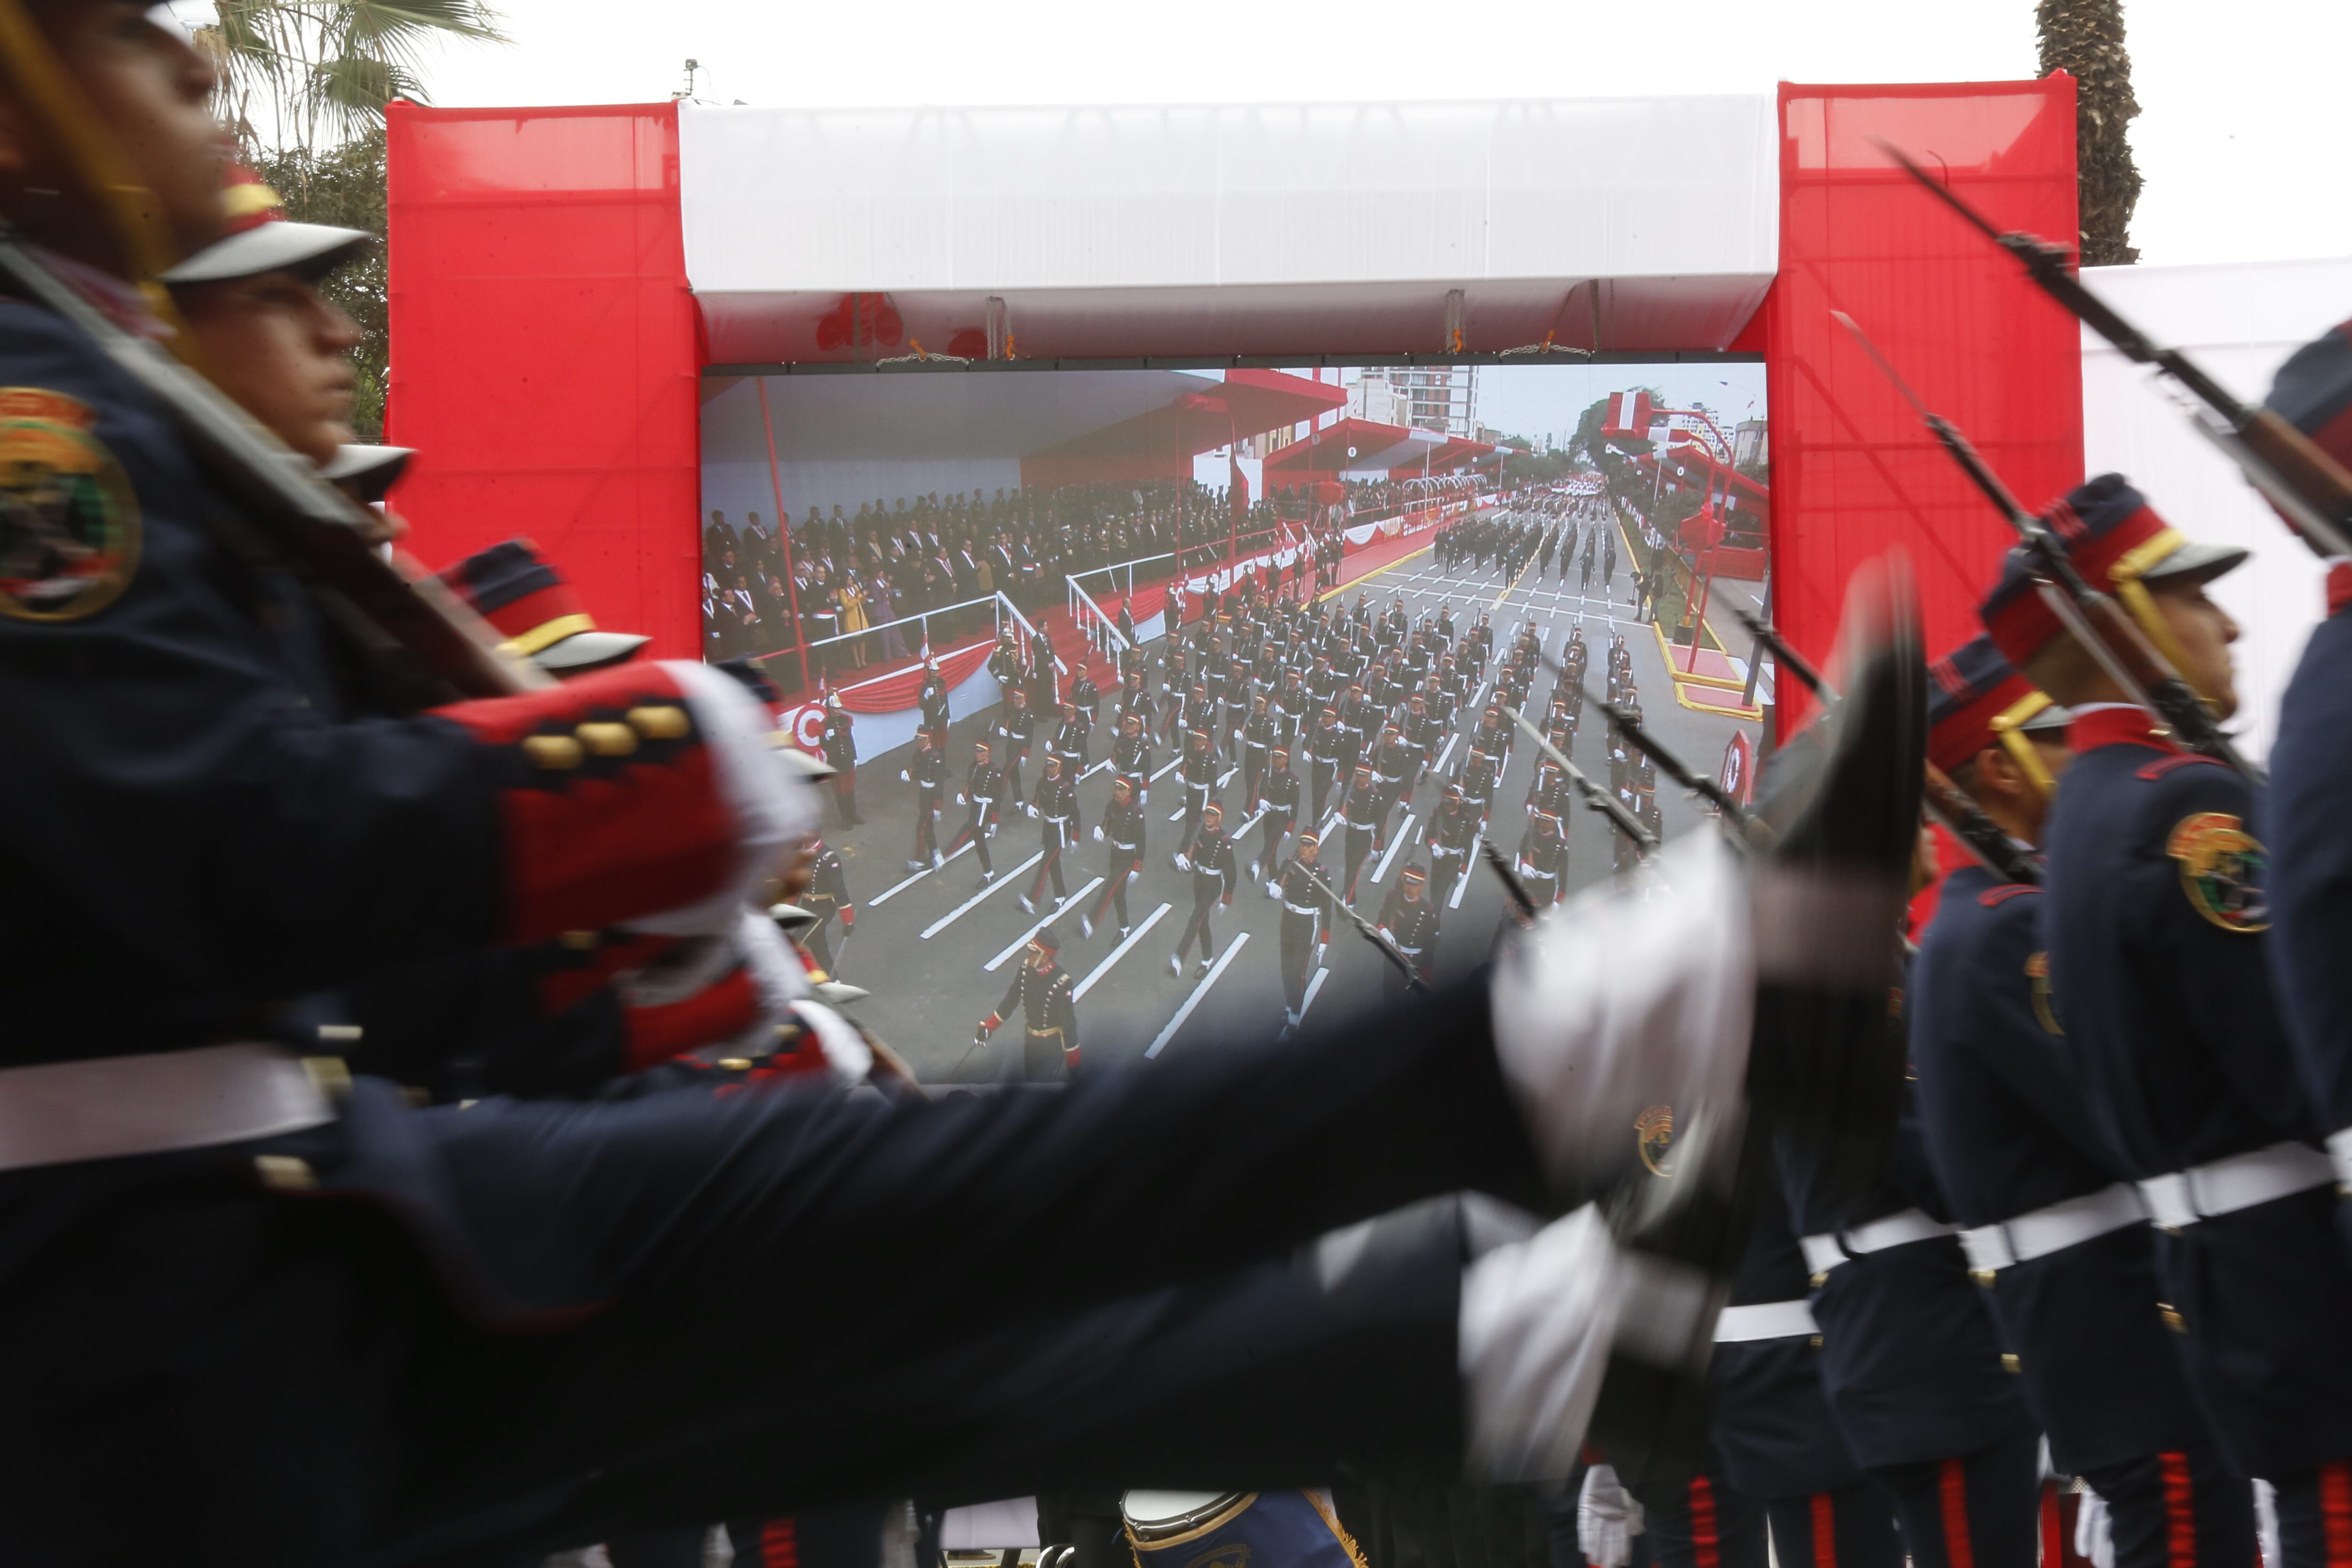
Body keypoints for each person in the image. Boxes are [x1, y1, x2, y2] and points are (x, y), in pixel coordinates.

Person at [0, 10, 1919, 1558]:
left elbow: (380, 948)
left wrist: (655, 962)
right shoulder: (43, 414)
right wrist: (666, 768)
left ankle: (1544, 1273)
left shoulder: (116, 415)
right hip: (141, 1325)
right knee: (900, 1236)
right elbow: (229, 840)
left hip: (252, 1241)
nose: (181, 56)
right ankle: (1601, 1071)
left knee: (899, 1267)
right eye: (116, 24)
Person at [1980, 475, 2352, 1563]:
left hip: (2219, 1267)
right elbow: (2293, 1061)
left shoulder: (2090, 816)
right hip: (2292, 1270)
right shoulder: (2188, 810)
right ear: (2125, 620)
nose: (2228, 622)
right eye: (2193, 596)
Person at [1907, 636, 2251, 1568]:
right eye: (2053, 740)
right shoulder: (2006, 932)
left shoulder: (1971, 926)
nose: (2077, 754)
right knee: (2184, 1531)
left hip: (2080, 1319)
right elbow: (2116, 1112)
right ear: (1997, 766)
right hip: (2117, 1316)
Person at [974, 929, 1081, 1083]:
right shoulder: (1026, 969)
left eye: (1034, 953)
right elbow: (1011, 999)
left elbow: (1069, 1026)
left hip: (1051, 1047)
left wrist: (1074, 1067)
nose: (1029, 956)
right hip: (1031, 1042)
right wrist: (989, 1027)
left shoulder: (1062, 983)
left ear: (1045, 958)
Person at [1271, 829, 1331, 1033]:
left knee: (1298, 972)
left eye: (1309, 846)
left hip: (1307, 924)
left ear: (1317, 849)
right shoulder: (1290, 862)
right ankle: (1290, 1005)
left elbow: (1327, 905)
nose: (1304, 849)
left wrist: (1324, 938)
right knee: (1285, 968)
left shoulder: (1321, 873)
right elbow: (1279, 879)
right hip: (1289, 919)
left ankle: (1296, 1014)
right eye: (1303, 845)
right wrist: (1274, 887)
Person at [1170, 800, 1238, 979]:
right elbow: (1194, 854)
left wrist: (1226, 897)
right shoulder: (1200, 832)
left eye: (1213, 815)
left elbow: (1231, 872)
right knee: (1203, 922)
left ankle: (1179, 957)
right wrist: (1185, 860)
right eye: (1208, 813)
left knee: (1196, 917)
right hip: (1199, 880)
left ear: (1220, 818)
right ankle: (1207, 959)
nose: (1209, 817)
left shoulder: (1225, 841)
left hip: (1213, 883)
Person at [1083, 773, 1146, 939]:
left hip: (1128, 856)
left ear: (1129, 792)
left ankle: (1092, 920)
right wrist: (1100, 831)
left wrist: (1137, 866)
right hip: (1115, 853)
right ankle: (1124, 927)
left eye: (1122, 790)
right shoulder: (1111, 806)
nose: (1118, 793)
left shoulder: (1136, 813)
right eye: (1117, 789)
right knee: (1119, 893)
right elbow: (1108, 826)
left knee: (1110, 885)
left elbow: (1141, 840)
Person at [1021, 751, 1081, 914]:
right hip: (1048, 827)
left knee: (1046, 862)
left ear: (1060, 768)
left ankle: (1033, 899)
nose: (1049, 768)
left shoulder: (1065, 789)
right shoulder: (1043, 783)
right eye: (1048, 765)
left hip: (1061, 829)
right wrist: (1033, 807)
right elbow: (1038, 799)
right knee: (1053, 864)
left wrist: (1076, 836)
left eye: (1053, 766)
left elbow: (1075, 813)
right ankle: (1060, 896)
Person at [1375, 864, 1440, 1003]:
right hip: (1394, 955)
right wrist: (1383, 929)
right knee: (1389, 994)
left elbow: (1430, 944)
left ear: (1422, 886)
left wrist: (1426, 972)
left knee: (1407, 1000)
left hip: (1413, 960)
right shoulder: (1394, 897)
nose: (1411, 888)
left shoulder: (1427, 910)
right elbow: (1382, 918)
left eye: (1415, 885)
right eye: (1408, 883)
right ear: (1404, 881)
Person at [946, 737, 1005, 886]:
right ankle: (989, 873)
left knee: (968, 829)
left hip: (986, 807)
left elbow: (998, 797)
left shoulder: (995, 771)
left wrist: (994, 819)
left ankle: (944, 856)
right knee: (979, 842)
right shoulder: (973, 767)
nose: (977, 754)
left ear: (987, 753)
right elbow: (970, 785)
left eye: (981, 752)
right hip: (975, 805)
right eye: (977, 751)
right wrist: (964, 797)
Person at [901, 729, 947, 871]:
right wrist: (908, 775)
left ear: (928, 740)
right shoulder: (919, 753)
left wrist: (938, 805)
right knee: (928, 827)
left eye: (921, 740)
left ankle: (918, 858)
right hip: (924, 793)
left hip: (932, 795)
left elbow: (939, 783)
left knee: (922, 827)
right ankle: (936, 854)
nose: (919, 742)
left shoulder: (935, 757)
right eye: (918, 740)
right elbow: (915, 769)